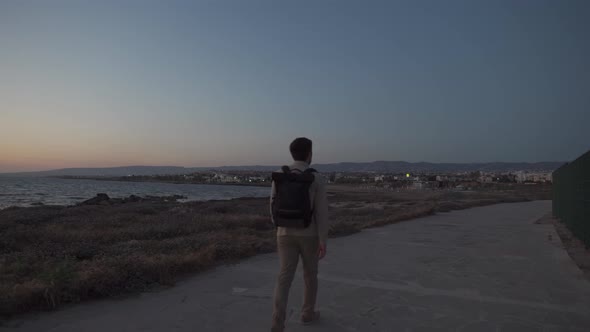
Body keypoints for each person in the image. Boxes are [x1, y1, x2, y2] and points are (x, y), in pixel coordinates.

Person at [270, 137, 329, 332]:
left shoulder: (280, 174)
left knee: (284, 277)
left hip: (284, 233)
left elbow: (272, 204)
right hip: (309, 234)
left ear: (292, 153)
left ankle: (277, 323)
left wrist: (278, 226)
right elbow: (321, 212)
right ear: (309, 154)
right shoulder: (316, 177)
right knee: (310, 275)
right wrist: (323, 240)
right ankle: (307, 314)